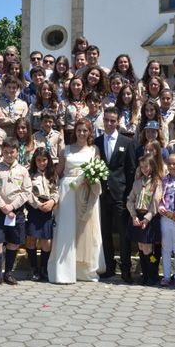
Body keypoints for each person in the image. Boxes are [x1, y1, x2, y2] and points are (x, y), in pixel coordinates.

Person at [48, 119, 106, 283]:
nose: (82, 133)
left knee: (86, 231)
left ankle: (84, 270)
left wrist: (91, 179)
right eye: (79, 130)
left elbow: (98, 170)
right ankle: (64, 270)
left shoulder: (94, 150)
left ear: (89, 133)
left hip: (86, 193)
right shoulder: (66, 150)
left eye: (85, 131)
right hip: (68, 191)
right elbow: (58, 172)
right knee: (67, 229)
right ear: (75, 132)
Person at [95, 107, 137, 282]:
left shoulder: (127, 142)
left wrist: (128, 196)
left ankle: (126, 268)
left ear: (118, 121)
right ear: (103, 121)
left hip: (120, 195)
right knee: (104, 233)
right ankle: (109, 267)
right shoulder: (96, 142)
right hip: (102, 194)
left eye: (113, 120)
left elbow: (131, 170)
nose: (109, 124)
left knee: (123, 233)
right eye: (106, 120)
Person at [0, 137, 33, 286]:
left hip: (16, 212)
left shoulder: (23, 171)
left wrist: (12, 206)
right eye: (5, 152)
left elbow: (26, 191)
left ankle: (8, 273)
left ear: (17, 152)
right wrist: (3, 206)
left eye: (11, 152)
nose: (8, 155)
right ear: (2, 152)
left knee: (13, 242)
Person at [126, 155, 163, 285]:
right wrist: (134, 215)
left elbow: (155, 202)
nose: (144, 169)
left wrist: (147, 219)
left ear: (152, 166)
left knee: (148, 247)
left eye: (146, 166)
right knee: (141, 246)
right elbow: (130, 200)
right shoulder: (137, 182)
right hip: (137, 216)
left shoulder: (156, 182)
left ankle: (152, 275)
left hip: (150, 218)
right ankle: (144, 274)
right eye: (141, 167)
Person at [26, 147, 58, 281]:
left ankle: (44, 267)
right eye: (38, 160)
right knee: (31, 239)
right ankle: (34, 268)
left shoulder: (52, 174)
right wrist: (37, 204)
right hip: (34, 208)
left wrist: (52, 201)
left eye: (44, 160)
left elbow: (56, 190)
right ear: (35, 161)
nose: (41, 163)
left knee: (47, 241)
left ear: (48, 160)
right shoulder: (30, 174)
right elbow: (27, 191)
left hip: (48, 208)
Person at [158, 153, 175, 287]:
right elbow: (158, 197)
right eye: (169, 164)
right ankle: (166, 276)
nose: (172, 166)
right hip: (165, 217)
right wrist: (161, 206)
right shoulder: (163, 180)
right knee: (166, 248)